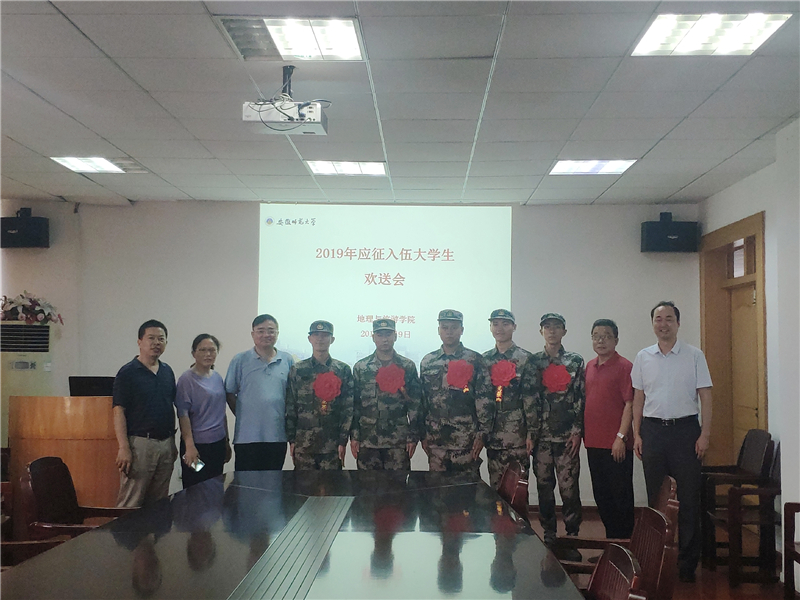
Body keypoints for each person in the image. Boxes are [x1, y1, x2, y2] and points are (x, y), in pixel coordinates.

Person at [632, 301, 712, 583]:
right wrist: (637, 433)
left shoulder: (694, 355)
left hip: (686, 431)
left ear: (678, 323)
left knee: (689, 499)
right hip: (653, 431)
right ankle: (656, 560)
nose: (663, 324)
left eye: (668, 319)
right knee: (657, 500)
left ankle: (687, 564)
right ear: (652, 324)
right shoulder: (643, 357)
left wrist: (705, 434)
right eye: (658, 319)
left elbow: (705, 396)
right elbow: (638, 398)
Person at [530, 312, 585, 558]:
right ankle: (549, 536)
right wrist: (530, 434)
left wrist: (577, 431)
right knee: (544, 489)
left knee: (569, 490)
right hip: (541, 439)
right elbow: (529, 400)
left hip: (566, 439)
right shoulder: (533, 362)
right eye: (547, 327)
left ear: (564, 331)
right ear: (541, 331)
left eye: (556, 327)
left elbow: (580, 398)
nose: (552, 331)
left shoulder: (575, 361)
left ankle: (572, 537)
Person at [112, 319, 177, 508]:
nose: (156, 343)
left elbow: (170, 407)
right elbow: (118, 411)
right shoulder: (128, 372)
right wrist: (123, 447)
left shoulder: (167, 371)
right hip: (140, 445)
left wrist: (172, 443)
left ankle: (153, 531)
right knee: (131, 502)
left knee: (159, 504)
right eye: (151, 338)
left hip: (166, 444)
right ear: (139, 341)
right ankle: (124, 530)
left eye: (161, 339)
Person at [419, 309, 492, 473]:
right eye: (445, 327)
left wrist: (482, 433)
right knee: (437, 486)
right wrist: (422, 434)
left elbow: (484, 399)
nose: (449, 332)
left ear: (462, 330)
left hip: (465, 438)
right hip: (436, 439)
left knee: (466, 486)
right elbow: (422, 401)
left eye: (454, 327)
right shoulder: (428, 361)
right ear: (438, 330)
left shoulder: (474, 359)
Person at [584, 319, 635, 539]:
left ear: (616, 340)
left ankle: (626, 547)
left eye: (606, 336)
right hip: (593, 442)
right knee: (602, 496)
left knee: (620, 497)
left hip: (616, 445)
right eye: (596, 336)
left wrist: (620, 437)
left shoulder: (625, 366)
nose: (601, 340)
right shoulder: (589, 366)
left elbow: (630, 404)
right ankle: (612, 544)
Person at [351, 318, 423, 470]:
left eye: (388, 335)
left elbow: (415, 404)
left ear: (395, 336)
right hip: (368, 439)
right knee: (367, 483)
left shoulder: (407, 366)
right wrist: (355, 436)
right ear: (373, 337)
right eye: (380, 335)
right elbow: (355, 404)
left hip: (397, 439)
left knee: (397, 483)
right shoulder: (361, 367)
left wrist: (413, 436)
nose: (384, 339)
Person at [225, 314, 294, 471]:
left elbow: (292, 396)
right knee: (246, 482)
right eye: (260, 331)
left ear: (277, 333)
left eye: (270, 331)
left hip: (277, 435)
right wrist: (244, 413)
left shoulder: (287, 360)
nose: (266, 335)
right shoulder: (240, 360)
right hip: (247, 436)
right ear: (253, 334)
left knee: (273, 482)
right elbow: (229, 393)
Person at [285, 320, 354, 470]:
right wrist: (292, 440)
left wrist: (343, 440)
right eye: (316, 335)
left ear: (332, 339)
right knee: (303, 483)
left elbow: (347, 408)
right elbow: (291, 406)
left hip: (331, 444)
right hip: (304, 443)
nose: (320, 339)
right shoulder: (298, 369)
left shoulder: (342, 370)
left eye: (325, 335)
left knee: (331, 484)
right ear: (309, 339)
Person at [481, 309, 536, 489]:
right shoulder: (484, 360)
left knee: (517, 490)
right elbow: (481, 400)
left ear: (514, 327)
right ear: (490, 327)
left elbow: (531, 399)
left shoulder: (526, 359)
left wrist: (531, 433)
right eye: (495, 324)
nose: (500, 328)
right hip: (493, 434)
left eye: (505, 324)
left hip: (517, 435)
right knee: (496, 488)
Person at [175, 334, 231, 488]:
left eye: (212, 350)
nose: (208, 354)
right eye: (203, 350)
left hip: (217, 444)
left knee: (215, 487)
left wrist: (226, 441)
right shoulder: (186, 379)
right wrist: (190, 447)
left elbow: (221, 412)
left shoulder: (217, 377)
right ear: (194, 353)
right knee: (195, 487)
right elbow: (183, 415)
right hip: (197, 447)